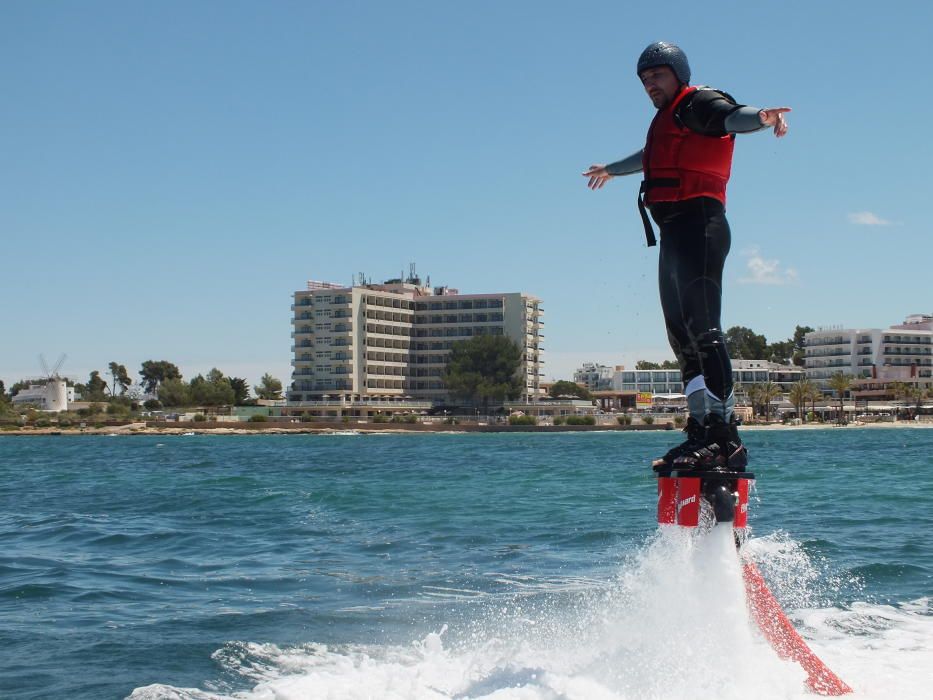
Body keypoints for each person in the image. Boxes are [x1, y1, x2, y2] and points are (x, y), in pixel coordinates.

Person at [582, 41, 790, 471]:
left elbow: (732, 118)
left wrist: (762, 119)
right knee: (681, 337)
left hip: (701, 224)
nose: (649, 85)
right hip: (674, 231)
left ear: (678, 74)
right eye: (643, 80)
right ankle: (700, 429)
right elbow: (652, 157)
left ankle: (724, 435)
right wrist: (611, 170)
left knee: (704, 329)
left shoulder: (697, 102)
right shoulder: (669, 119)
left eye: (656, 76)